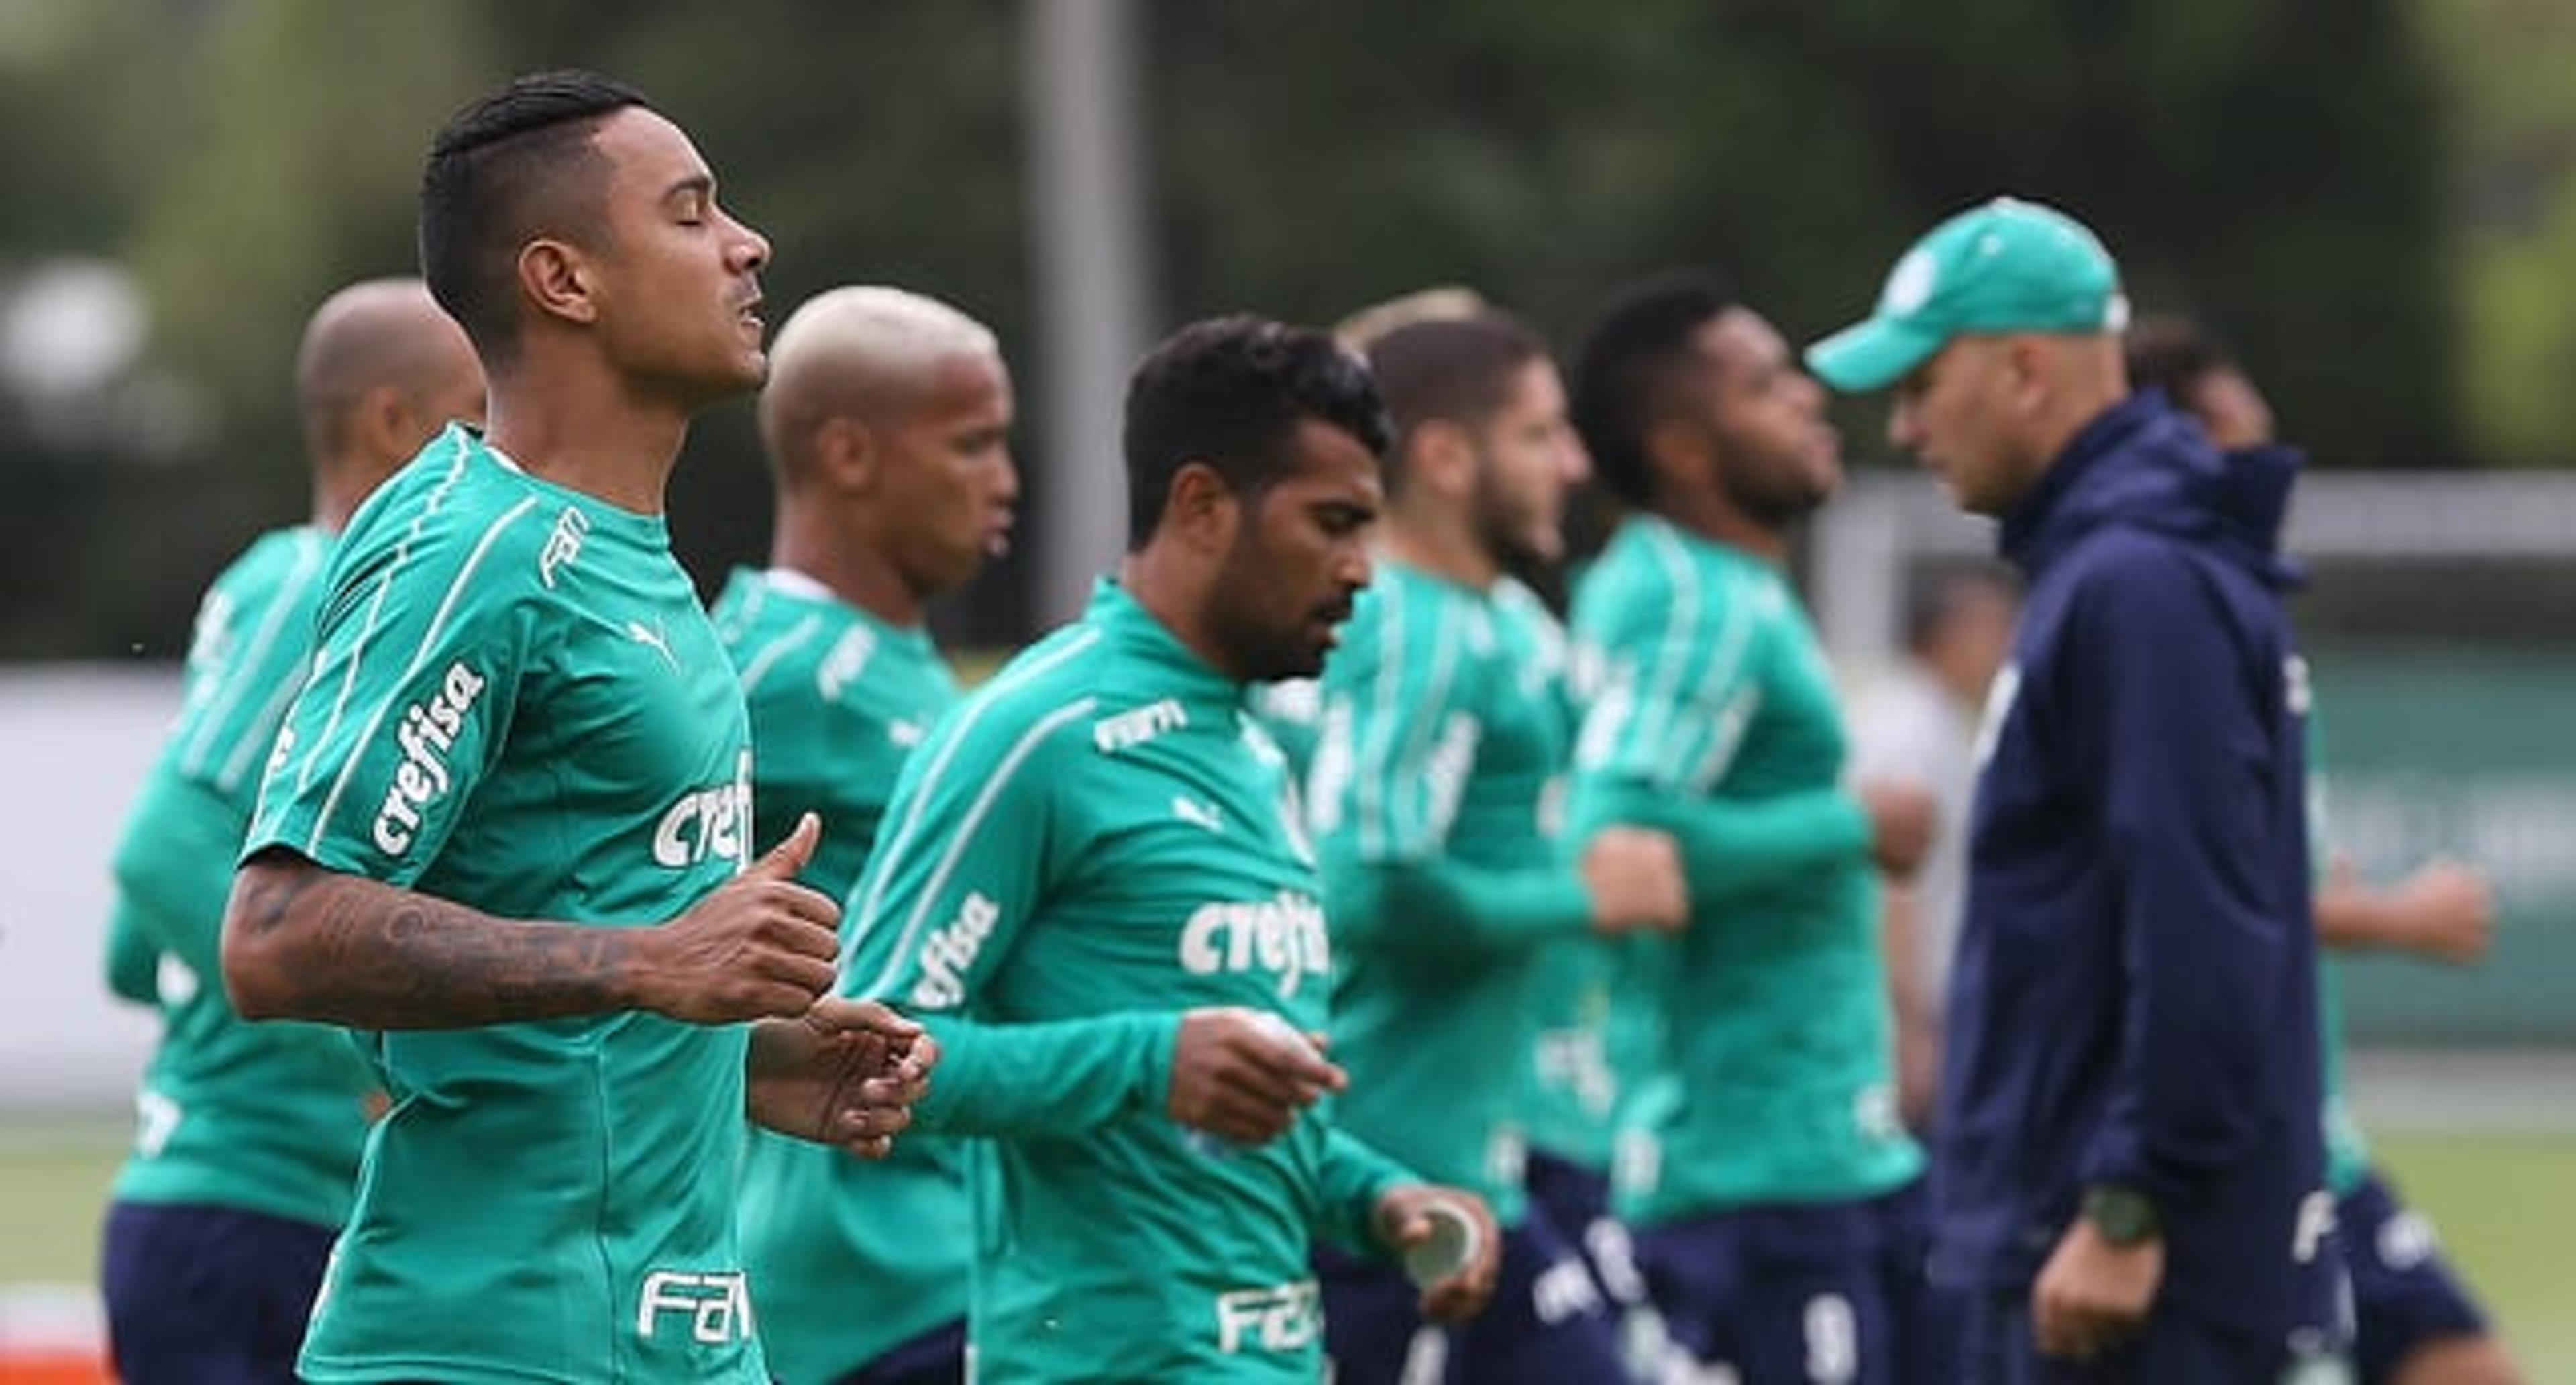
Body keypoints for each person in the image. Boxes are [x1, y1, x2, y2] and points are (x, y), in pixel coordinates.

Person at [218, 70, 930, 1384]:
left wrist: (740, 1058)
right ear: (564, 279)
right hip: (492, 1344)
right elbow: (275, 934)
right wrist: (646, 965)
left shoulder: (635, 561)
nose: (747, 243)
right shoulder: (470, 547)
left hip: (680, 1342)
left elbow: (593, 940)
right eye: (692, 213)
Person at [836, 315, 1503, 1382]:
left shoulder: (1256, 747)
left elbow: (1229, 1114)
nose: (1361, 571)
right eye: (1331, 524)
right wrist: (1148, 1060)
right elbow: (867, 1059)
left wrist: (1378, 1198)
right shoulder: (1038, 733)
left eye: (1368, 529)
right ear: (1200, 505)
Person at [1806, 196, 2330, 1381]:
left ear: (2025, 368)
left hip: (2115, 1266)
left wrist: (2129, 1202)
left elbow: (2199, 918)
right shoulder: (2116, 569)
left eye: (1924, 383)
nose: (1906, 426)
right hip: (2068, 1236)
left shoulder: (2139, 584)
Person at [97, 277, 484, 1384]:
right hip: (252, 1215)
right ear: (393, 422)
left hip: (212, 1202)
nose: (501, 451)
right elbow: (161, 845)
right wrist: (368, 1047)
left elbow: (133, 945)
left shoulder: (259, 581)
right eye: (476, 414)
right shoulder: (325, 584)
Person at [2128, 313, 2524, 1385]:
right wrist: (2397, 918)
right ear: (2193, 438)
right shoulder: (2172, 624)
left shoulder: (2239, 614)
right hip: (2240, 1146)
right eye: (2248, 425)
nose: (2273, 456)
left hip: (2303, 1132)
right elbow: (2195, 904)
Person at [1563, 272, 1941, 1383]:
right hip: (1753, 1178)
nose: (1810, 400)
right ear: (1683, 449)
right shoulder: (1693, 599)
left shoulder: (1731, 589)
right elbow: (1616, 842)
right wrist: (1844, 824)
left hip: (1829, 1153)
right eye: (1768, 386)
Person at [1300, 312, 1684, 1383]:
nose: (1572, 464)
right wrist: (1582, 900)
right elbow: (1369, 884)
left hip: (1484, 1161)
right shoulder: (1413, 627)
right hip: (1378, 1173)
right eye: (1539, 434)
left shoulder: (1498, 617)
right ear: (1446, 457)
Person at [720, 285, 1019, 1385]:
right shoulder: (768, 665)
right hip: (861, 1271)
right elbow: (579, 890)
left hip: (963, 1242)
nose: (1006, 480)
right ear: (848, 453)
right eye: (973, 444)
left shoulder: (907, 662)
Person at [1847, 565, 2021, 1132]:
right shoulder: (1908, 727)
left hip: (1923, 1007)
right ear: (1953, 633)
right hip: (1910, 1012)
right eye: (1997, 630)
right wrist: (1907, 1027)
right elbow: (1892, 880)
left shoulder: (1935, 719)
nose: (2009, 649)